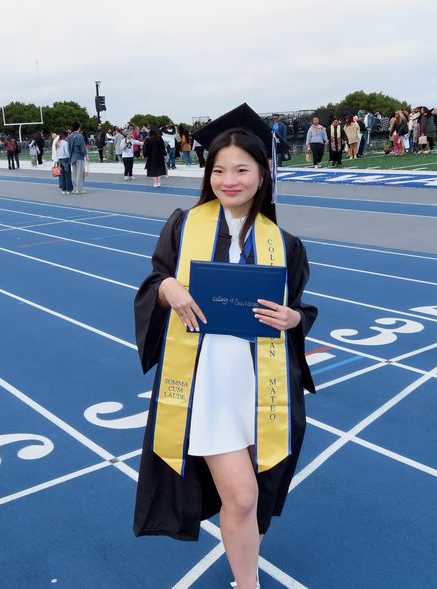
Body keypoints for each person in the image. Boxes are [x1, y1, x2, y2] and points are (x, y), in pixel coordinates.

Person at [133, 104, 317, 589]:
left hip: (259, 386)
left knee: (251, 496)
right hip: (205, 385)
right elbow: (154, 281)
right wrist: (167, 288)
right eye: (219, 170)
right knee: (239, 497)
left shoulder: (286, 243)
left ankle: (244, 568)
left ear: (263, 174)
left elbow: (299, 309)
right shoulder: (183, 224)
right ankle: (248, 584)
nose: (228, 180)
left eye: (241, 169)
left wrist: (294, 318)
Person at [67, 121, 88, 195]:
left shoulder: (70, 136)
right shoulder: (79, 136)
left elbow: (68, 148)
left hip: (72, 156)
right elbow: (82, 147)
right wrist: (85, 155)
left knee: (75, 173)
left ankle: (75, 188)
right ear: (79, 127)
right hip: (79, 156)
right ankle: (79, 189)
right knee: (80, 173)